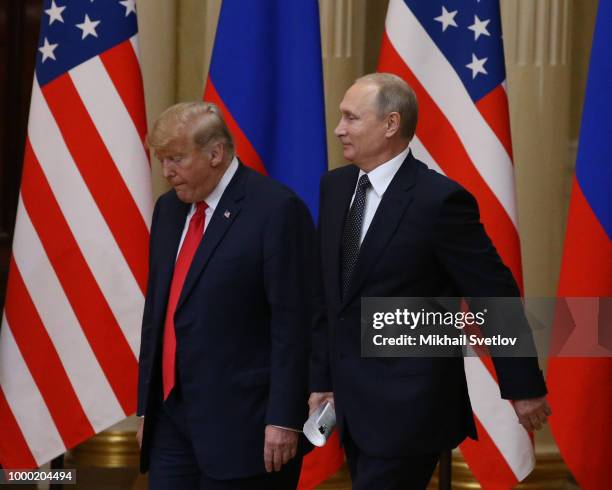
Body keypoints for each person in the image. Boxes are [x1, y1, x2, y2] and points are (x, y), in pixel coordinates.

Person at [309, 73, 551, 489]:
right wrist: (320, 380)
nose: (339, 129)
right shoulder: (335, 186)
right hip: (349, 405)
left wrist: (522, 384)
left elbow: (492, 291)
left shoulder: (438, 200)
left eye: (351, 117)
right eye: (340, 117)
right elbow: (330, 297)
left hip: (409, 406)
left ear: (390, 124)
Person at [136, 101, 314, 489]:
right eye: (162, 160)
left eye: (177, 159)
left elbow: (294, 324)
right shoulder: (168, 210)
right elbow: (159, 313)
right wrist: (147, 408)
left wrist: (284, 417)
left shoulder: (276, 210)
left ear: (215, 153)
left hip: (246, 426)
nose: (167, 173)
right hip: (170, 421)